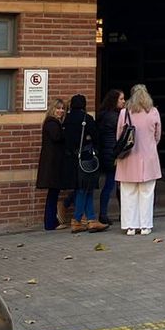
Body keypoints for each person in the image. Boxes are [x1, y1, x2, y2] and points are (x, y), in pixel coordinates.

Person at [115, 83, 163, 235]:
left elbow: (119, 136)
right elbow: (158, 135)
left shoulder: (124, 113)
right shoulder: (153, 112)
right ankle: (145, 226)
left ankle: (130, 226)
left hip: (128, 158)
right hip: (148, 159)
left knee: (128, 193)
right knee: (147, 193)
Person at [62, 93, 107, 233]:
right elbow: (96, 137)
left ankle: (91, 219)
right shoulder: (86, 119)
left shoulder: (66, 119)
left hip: (71, 159)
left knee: (83, 189)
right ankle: (77, 220)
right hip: (86, 158)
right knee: (85, 189)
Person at [34, 97, 68, 229]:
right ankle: (50, 223)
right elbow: (57, 137)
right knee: (53, 194)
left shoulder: (52, 123)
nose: (61, 111)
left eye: (62, 109)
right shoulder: (52, 123)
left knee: (53, 194)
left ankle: (51, 221)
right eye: (58, 108)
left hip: (52, 164)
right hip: (52, 165)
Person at [96, 88, 125, 226]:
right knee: (115, 185)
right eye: (121, 99)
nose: (123, 102)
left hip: (106, 152)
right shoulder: (115, 117)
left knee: (110, 183)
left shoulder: (103, 115)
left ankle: (104, 214)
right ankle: (119, 213)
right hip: (113, 153)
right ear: (114, 100)